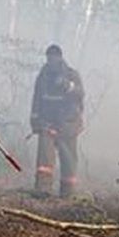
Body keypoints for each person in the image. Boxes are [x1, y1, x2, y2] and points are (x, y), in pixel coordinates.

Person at [30, 44, 84, 198]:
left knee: (68, 159)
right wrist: (35, 122)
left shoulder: (72, 75)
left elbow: (80, 94)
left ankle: (68, 192)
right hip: (47, 123)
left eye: (54, 57)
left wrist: (68, 86)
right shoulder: (43, 77)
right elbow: (37, 100)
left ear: (60, 57)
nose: (51, 61)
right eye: (49, 58)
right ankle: (43, 190)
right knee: (44, 160)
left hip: (68, 123)